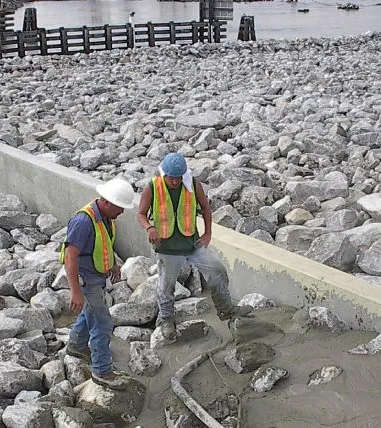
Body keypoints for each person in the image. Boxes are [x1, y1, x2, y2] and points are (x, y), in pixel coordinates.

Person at [137, 153, 252, 340]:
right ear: (164, 174)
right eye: (172, 178)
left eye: (178, 178)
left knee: (217, 270)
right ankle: (167, 319)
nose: (175, 182)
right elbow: (141, 214)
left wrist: (208, 234)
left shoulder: (192, 185)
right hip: (166, 246)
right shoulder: (153, 187)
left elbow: (206, 208)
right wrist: (149, 228)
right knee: (166, 285)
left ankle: (225, 308)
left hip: (192, 242)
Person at [60, 178, 136, 390]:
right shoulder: (83, 221)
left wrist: (112, 264)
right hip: (86, 281)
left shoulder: (105, 218)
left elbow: (103, 243)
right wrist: (75, 291)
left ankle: (75, 346)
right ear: (108, 202)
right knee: (102, 323)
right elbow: (70, 256)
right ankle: (102, 371)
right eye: (120, 208)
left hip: (96, 276)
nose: (122, 212)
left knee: (89, 314)